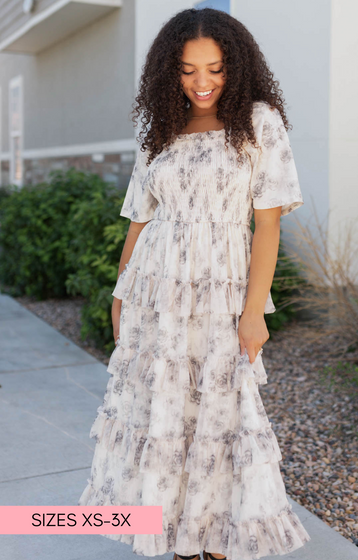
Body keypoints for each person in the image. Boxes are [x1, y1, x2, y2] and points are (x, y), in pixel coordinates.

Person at [78, 7, 311, 560]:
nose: (201, 82)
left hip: (222, 290)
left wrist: (254, 312)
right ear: (169, 71)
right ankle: (177, 542)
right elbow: (140, 218)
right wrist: (120, 290)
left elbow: (268, 225)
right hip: (154, 291)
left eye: (215, 68)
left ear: (238, 66)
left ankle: (217, 543)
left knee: (223, 416)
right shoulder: (156, 126)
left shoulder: (259, 121)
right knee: (162, 413)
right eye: (186, 70)